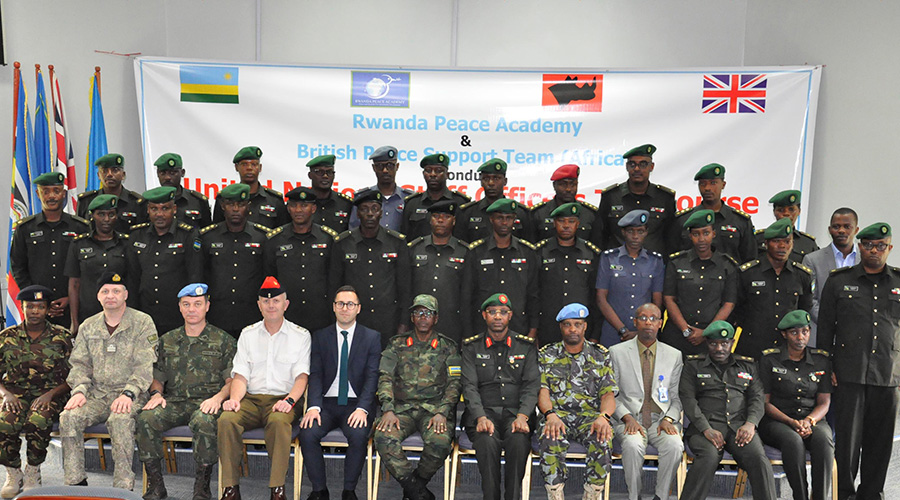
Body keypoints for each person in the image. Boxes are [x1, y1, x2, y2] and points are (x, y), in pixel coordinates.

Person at [818, 222, 900, 500]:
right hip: (848, 373)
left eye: (880, 246)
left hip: (888, 374)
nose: (873, 251)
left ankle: (872, 493)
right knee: (847, 444)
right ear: (859, 246)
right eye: (867, 245)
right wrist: (826, 367)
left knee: (880, 442)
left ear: (889, 248)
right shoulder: (839, 280)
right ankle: (844, 493)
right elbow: (826, 328)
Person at [136, 283, 237, 500]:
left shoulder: (224, 341)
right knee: (146, 418)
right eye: (186, 304)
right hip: (174, 401)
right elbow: (158, 376)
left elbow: (233, 380)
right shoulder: (167, 340)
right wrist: (156, 394)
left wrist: (218, 398)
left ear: (207, 306)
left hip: (207, 402)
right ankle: (156, 485)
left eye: (197, 304)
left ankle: (202, 487)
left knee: (204, 420)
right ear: (180, 308)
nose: (192, 309)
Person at [59, 271, 158, 490]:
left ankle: (123, 487)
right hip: (97, 394)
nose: (110, 295)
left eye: (116, 291)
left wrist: (129, 393)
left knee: (120, 420)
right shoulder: (88, 326)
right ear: (98, 296)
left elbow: (145, 365)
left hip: (132, 394)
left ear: (126, 295)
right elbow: (80, 364)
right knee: (69, 417)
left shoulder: (142, 322)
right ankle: (75, 483)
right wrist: (79, 391)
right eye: (105, 291)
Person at [218, 277, 311, 500]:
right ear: (259, 304)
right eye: (266, 301)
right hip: (250, 399)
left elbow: (302, 377)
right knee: (226, 419)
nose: (271, 306)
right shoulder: (248, 334)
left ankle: (277, 489)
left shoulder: (301, 336)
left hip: (283, 399)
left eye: (276, 301)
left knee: (279, 422)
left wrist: (289, 402)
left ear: (285, 304)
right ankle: (230, 488)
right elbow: (240, 374)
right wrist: (235, 400)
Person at [373, 295, 461, 500]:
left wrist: (442, 412)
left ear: (436, 318)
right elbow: (385, 377)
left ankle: (416, 485)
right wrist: (387, 409)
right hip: (400, 410)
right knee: (384, 437)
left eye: (428, 313)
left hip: (433, 412)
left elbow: (454, 384)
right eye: (418, 313)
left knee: (440, 442)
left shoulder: (448, 347)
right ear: (412, 317)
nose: (423, 317)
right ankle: (414, 489)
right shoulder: (396, 344)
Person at [299, 286, 381, 500]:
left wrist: (363, 408)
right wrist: (313, 406)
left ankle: (349, 490)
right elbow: (315, 374)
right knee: (308, 432)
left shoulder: (372, 338)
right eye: (340, 304)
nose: (345, 308)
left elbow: (373, 377)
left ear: (358, 308)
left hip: (356, 404)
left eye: (350, 304)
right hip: (326, 403)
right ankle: (319, 490)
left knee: (358, 433)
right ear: (334, 307)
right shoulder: (320, 336)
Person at [679, 320, 776, 500]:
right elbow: (688, 399)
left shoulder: (747, 366)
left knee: (759, 460)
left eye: (724, 343)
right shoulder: (693, 365)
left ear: (732, 343)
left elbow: (757, 398)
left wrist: (751, 424)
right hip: (705, 429)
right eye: (714, 343)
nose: (719, 348)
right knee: (707, 458)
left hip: (740, 429)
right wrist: (705, 429)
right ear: (707, 343)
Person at [460, 293, 539, 500]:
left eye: (503, 312)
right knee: (486, 442)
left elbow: (531, 387)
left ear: (510, 316)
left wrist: (523, 416)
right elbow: (469, 387)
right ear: (484, 316)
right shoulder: (471, 347)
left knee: (519, 440)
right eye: (492, 312)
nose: (497, 316)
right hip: (483, 414)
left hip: (516, 414)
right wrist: (480, 417)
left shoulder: (526, 346)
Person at [537, 303, 616, 500]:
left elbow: (608, 395)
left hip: (590, 416)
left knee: (603, 437)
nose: (572, 329)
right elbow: (542, 392)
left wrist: (603, 417)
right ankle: (555, 493)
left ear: (585, 327)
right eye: (567, 324)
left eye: (577, 324)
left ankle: (592, 493)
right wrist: (550, 415)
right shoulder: (546, 354)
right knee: (550, 436)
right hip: (557, 415)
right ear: (560, 327)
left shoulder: (600, 355)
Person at [0, 285, 73, 498]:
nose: (34, 311)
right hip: (16, 394)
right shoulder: (6, 337)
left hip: (52, 393)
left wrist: (51, 395)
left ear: (48, 309)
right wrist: (6, 394)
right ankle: (13, 472)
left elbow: (75, 376)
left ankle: (33, 471)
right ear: (22, 308)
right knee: (4, 421)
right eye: (30, 306)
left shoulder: (62, 337)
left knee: (38, 420)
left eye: (40, 307)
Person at [609, 303, 684, 500]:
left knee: (675, 445)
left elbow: (676, 397)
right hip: (629, 418)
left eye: (653, 318)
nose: (648, 322)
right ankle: (635, 496)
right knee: (633, 446)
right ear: (635, 322)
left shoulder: (674, 355)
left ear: (660, 323)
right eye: (643, 318)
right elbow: (611, 394)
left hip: (661, 420)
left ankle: (661, 496)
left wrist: (669, 419)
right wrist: (626, 417)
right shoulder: (616, 352)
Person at [758, 310, 833, 500]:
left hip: (811, 418)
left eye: (805, 332)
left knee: (824, 440)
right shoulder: (769, 359)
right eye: (794, 333)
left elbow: (825, 402)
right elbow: (764, 403)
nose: (801, 337)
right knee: (793, 441)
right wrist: (792, 422)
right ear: (784, 334)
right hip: (777, 420)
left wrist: (809, 420)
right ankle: (800, 496)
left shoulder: (821, 360)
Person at [10, 172, 90, 328]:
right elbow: (18, 267)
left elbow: (88, 267)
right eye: (45, 191)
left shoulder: (81, 227)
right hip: (37, 310)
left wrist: (71, 297)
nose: (51, 196)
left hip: (75, 307)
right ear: (38, 194)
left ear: (64, 194)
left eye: (56, 190)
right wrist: (38, 299)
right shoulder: (25, 228)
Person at [332, 190, 410, 346]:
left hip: (388, 322)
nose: (369, 214)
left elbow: (405, 287)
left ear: (381, 213)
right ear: (358, 214)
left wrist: (403, 323)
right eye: (364, 209)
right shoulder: (343, 243)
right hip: (353, 321)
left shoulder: (396, 242)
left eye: (374, 208)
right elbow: (334, 285)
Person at [126, 186, 203, 335]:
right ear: (148, 210)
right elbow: (133, 278)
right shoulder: (137, 235)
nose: (159, 214)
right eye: (154, 209)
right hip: (145, 314)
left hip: (178, 314)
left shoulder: (188, 235)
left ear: (174, 209)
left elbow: (195, 275)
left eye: (165, 208)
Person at [661, 209, 739, 355]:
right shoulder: (677, 262)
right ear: (690, 236)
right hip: (677, 335)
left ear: (713, 234)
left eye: (706, 233)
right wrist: (685, 330)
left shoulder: (727, 265)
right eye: (696, 234)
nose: (701, 239)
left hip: (711, 339)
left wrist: (706, 333)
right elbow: (668, 298)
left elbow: (729, 303)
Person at [734, 218, 813, 358]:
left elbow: (804, 309)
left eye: (787, 241)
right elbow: (736, 310)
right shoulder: (748, 273)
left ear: (792, 244)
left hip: (787, 350)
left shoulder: (802, 275)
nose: (782, 246)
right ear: (766, 244)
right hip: (752, 347)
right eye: (776, 241)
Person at [264, 186, 339, 332]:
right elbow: (268, 278)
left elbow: (334, 278)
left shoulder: (328, 238)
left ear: (313, 208)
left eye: (304, 205)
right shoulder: (275, 239)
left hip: (321, 316)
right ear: (288, 208)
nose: (298, 210)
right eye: (293, 205)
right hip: (286, 316)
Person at [199, 183, 269, 338]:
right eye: (230, 204)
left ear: (248, 206)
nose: (236, 209)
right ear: (223, 206)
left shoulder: (262, 237)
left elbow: (268, 275)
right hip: (217, 315)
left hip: (253, 316)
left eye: (241, 204)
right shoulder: (208, 237)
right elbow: (201, 274)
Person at [466, 198, 539, 338]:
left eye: (509, 218)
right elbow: (467, 295)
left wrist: (533, 329)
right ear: (491, 219)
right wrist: (468, 333)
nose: (505, 222)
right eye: (500, 218)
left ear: (514, 220)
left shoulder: (527, 252)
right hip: (482, 329)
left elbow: (533, 295)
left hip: (518, 327)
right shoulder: (476, 251)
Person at [534, 202, 600, 347]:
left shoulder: (591, 253)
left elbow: (596, 298)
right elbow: (534, 294)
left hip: (581, 330)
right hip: (548, 329)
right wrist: (534, 331)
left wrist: (595, 334)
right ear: (554, 223)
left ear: (578, 224)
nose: (566, 226)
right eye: (561, 221)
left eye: (571, 221)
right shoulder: (540, 252)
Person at [595, 209, 664, 347]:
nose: (635, 236)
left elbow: (657, 302)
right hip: (613, 333)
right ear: (623, 232)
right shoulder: (609, 258)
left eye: (640, 231)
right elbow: (601, 298)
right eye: (631, 231)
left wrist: (641, 330)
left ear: (646, 232)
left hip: (645, 335)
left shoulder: (655, 261)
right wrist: (622, 330)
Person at [591, 144, 676, 256]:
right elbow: (601, 235)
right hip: (617, 266)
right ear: (627, 167)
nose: (637, 169)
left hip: (654, 267)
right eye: (632, 164)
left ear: (652, 167)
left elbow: (671, 237)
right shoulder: (611, 196)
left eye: (643, 164)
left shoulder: (664, 198)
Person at [407, 200, 471, 344]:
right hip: (418, 324)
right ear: (430, 220)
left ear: (454, 221)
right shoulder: (415, 248)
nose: (441, 220)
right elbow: (406, 288)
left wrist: (467, 331)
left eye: (446, 217)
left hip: (451, 325)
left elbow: (468, 294)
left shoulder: (465, 251)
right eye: (436, 216)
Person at [65, 194, 129, 335]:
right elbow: (74, 284)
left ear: (116, 216)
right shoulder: (78, 244)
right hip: (88, 315)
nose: (106, 219)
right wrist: (74, 321)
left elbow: (133, 280)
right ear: (92, 216)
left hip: (121, 316)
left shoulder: (126, 243)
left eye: (111, 214)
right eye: (101, 214)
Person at [675, 163, 756, 263]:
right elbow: (674, 257)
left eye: (713, 183)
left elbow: (750, 260)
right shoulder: (683, 219)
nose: (707, 188)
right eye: (703, 184)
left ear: (723, 185)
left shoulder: (740, 221)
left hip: (731, 277)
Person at [801, 207, 859, 346]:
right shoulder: (812, 260)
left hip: (856, 338)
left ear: (856, 230)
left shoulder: (866, 261)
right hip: (820, 336)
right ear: (829, 229)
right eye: (836, 226)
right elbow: (810, 300)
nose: (841, 231)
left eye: (847, 226)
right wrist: (832, 322)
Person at [455, 158, 533, 243]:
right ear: (481, 182)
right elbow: (460, 248)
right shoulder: (467, 212)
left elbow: (528, 248)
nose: (491, 183)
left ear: (505, 181)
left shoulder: (521, 212)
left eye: (496, 178)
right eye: (486, 179)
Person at [212, 146, 288, 229]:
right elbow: (217, 232)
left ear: (260, 168)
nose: (249, 168)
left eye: (254, 164)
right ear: (236, 167)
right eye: (244, 164)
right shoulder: (224, 198)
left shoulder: (275, 200)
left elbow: (282, 234)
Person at [400, 153, 470, 240]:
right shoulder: (412, 203)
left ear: (447, 175)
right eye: (428, 170)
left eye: (438, 170)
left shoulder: (461, 203)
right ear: (423, 174)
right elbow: (405, 238)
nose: (433, 174)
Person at [77, 153, 147, 233]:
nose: (109, 174)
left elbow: (143, 236)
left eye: (115, 170)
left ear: (123, 175)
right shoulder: (86, 201)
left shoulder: (137, 202)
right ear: (98, 176)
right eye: (104, 171)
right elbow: (80, 232)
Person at [348, 146, 413, 232]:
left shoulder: (409, 199)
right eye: (380, 166)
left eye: (390, 165)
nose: (385, 170)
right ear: (374, 168)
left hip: (400, 245)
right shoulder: (362, 198)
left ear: (397, 166)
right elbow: (354, 230)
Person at [531, 164, 598, 241]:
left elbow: (596, 247)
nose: (568, 189)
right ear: (554, 185)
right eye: (563, 184)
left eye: (573, 184)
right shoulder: (539, 213)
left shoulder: (589, 213)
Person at [754, 190, 818, 262]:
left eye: (791, 209)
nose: (786, 214)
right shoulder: (758, 238)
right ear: (774, 212)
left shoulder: (808, 243)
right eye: (781, 210)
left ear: (799, 211)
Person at [154, 152, 212, 229]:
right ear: (157, 173)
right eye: (163, 173)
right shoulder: (150, 201)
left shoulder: (198, 201)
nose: (167, 177)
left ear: (182, 173)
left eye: (172, 173)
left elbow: (207, 233)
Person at [305, 154, 354, 233]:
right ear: (310, 175)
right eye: (320, 172)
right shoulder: (302, 203)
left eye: (329, 172)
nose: (325, 176)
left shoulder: (346, 204)